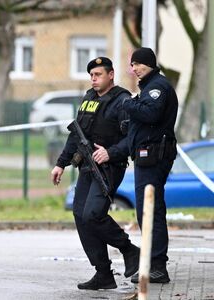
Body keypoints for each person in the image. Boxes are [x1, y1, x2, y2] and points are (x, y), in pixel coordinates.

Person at [50, 57, 141, 290]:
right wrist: (61, 163)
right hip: (87, 167)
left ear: (111, 75)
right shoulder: (89, 98)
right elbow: (76, 133)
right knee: (80, 215)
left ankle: (129, 250)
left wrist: (111, 153)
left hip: (110, 168)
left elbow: (133, 139)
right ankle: (103, 273)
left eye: (98, 74)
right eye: (91, 75)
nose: (93, 79)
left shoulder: (122, 101)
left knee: (92, 214)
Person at [123, 47, 178, 284]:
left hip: (154, 157)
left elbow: (151, 115)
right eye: (132, 64)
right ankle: (151, 263)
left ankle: (156, 266)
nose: (134, 68)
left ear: (149, 64)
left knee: (151, 211)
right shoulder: (149, 87)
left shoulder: (157, 87)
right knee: (148, 211)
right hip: (147, 156)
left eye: (138, 64)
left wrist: (128, 104)